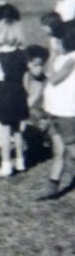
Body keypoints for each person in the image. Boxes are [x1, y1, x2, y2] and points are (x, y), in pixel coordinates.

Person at [0, 17, 29, 177]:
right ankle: (21, 161)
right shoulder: (23, 54)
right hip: (19, 94)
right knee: (17, 130)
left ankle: (6, 165)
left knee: (5, 130)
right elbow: (26, 76)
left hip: (4, 96)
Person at [41, 25, 75, 198]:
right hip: (54, 110)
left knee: (72, 149)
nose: (54, 44)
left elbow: (53, 79)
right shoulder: (62, 57)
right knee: (59, 150)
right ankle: (53, 186)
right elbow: (47, 72)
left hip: (66, 112)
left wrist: (53, 55)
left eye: (58, 41)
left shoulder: (71, 59)